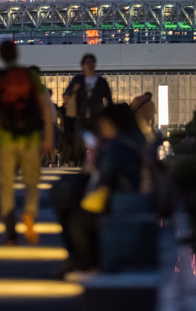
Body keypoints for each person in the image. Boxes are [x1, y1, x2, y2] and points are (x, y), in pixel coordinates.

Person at [0, 41, 54, 246]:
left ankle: (10, 233)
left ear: (0, 56)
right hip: (30, 137)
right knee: (31, 183)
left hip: (4, 138)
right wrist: (48, 136)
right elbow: (46, 108)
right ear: (17, 53)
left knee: (6, 186)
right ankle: (29, 213)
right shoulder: (30, 76)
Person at [57, 103, 146, 275]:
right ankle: (86, 258)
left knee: (75, 217)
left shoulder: (119, 145)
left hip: (122, 201)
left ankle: (83, 259)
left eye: (104, 125)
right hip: (132, 198)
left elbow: (101, 170)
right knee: (74, 200)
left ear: (113, 123)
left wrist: (93, 155)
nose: (102, 129)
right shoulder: (136, 138)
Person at [63, 54, 114, 148]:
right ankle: (81, 159)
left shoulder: (101, 82)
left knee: (98, 141)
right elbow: (67, 94)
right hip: (80, 115)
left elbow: (109, 99)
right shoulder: (78, 80)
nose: (90, 65)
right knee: (79, 142)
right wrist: (74, 90)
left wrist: (108, 115)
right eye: (87, 62)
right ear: (82, 65)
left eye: (92, 62)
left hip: (96, 115)